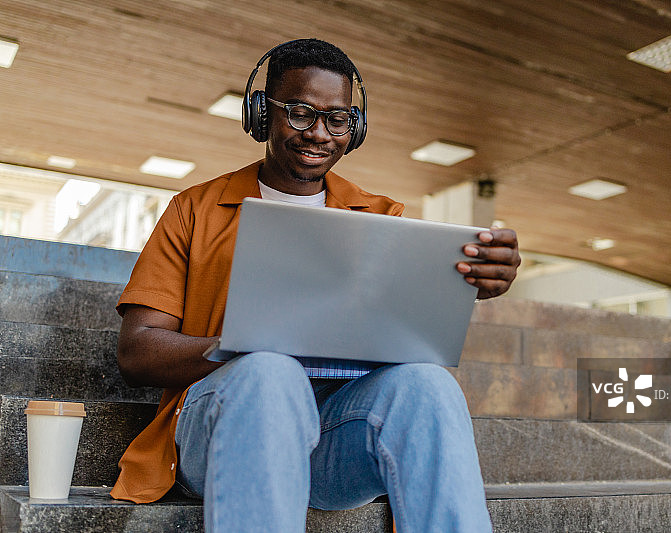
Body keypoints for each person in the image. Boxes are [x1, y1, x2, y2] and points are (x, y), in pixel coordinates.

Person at [110, 38, 520, 532]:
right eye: (300, 113)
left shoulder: (383, 218)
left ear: (356, 127)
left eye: (338, 119)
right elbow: (137, 353)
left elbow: (408, 340)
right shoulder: (194, 209)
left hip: (332, 442)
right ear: (261, 114)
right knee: (268, 371)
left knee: (429, 384)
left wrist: (470, 281)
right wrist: (242, 346)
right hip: (223, 428)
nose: (319, 134)